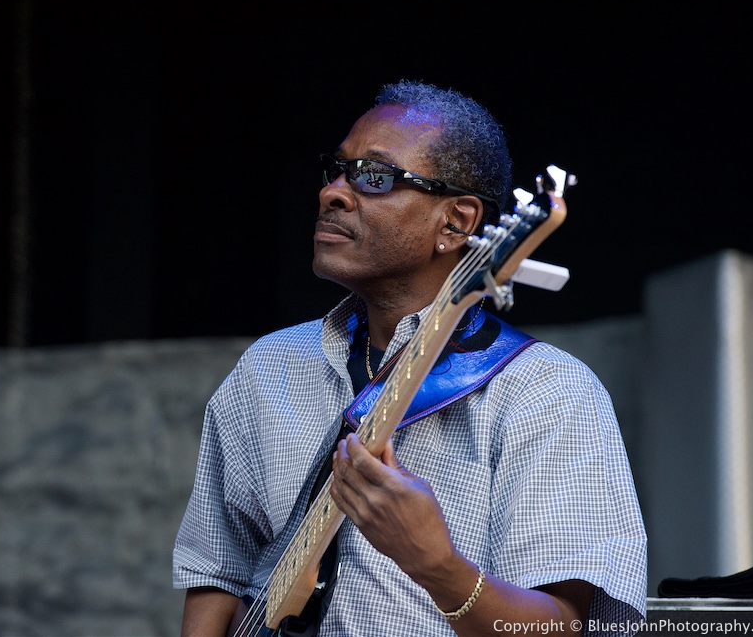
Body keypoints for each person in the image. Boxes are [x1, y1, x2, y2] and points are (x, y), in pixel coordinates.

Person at [173, 79, 647, 636]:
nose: (333, 193)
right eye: (337, 169)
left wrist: (437, 567)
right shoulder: (267, 368)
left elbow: (564, 627)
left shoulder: (548, 393)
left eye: (374, 177)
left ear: (457, 223)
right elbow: (218, 572)